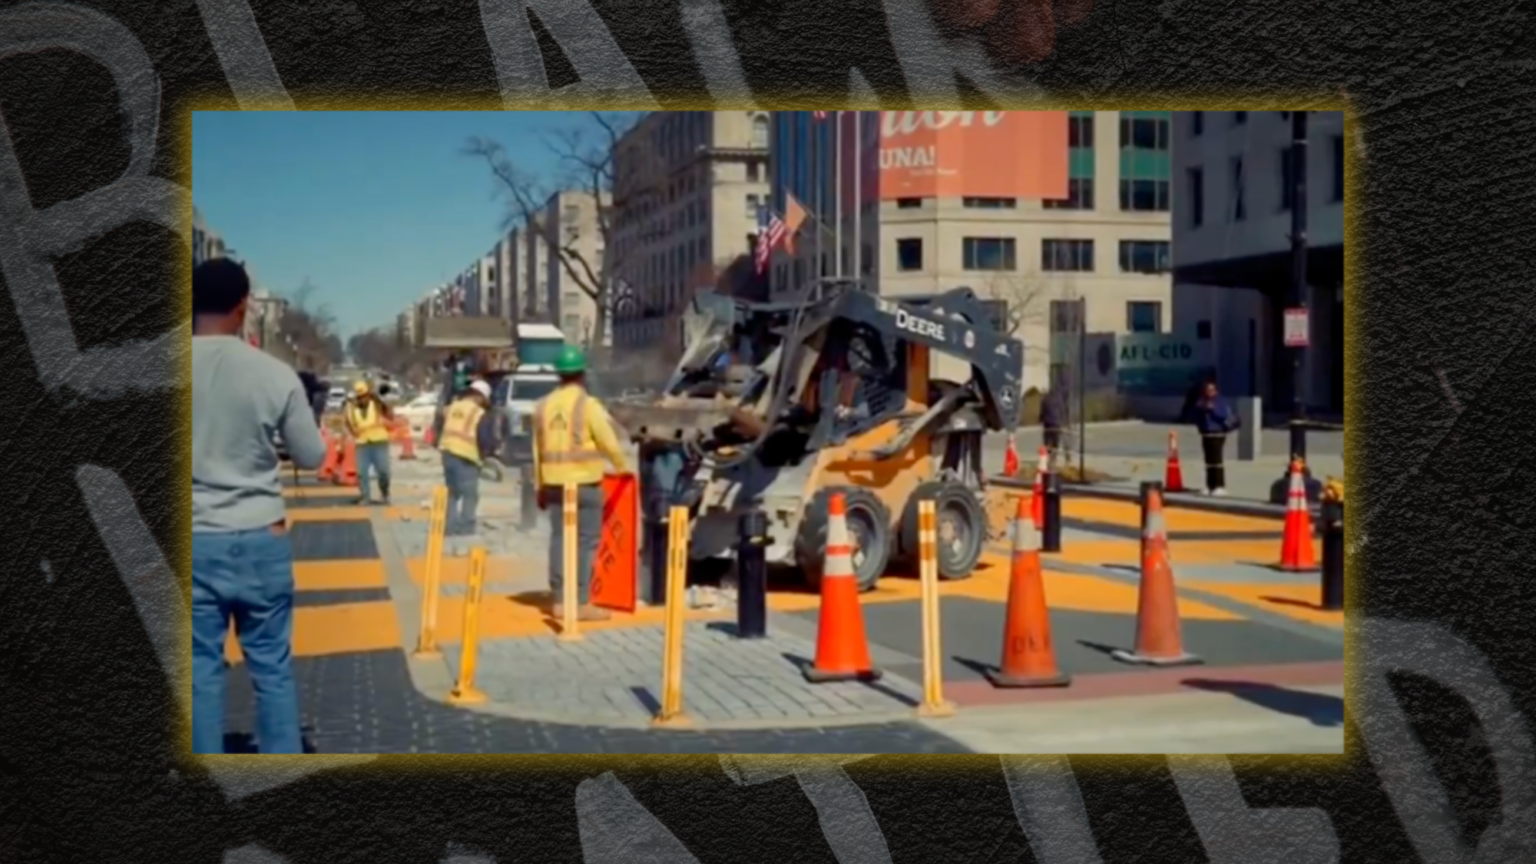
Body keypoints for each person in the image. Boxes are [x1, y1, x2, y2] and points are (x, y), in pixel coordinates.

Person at [191, 258, 326, 754]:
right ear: (243, 305)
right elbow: (312, 456)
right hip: (259, 537)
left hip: (192, 538)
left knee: (199, 672)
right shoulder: (273, 374)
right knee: (271, 667)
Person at [533, 345, 632, 622]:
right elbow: (607, 440)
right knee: (585, 541)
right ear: (582, 375)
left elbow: (536, 450)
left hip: (553, 483)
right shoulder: (587, 405)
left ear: (558, 375)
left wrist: (539, 485)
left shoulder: (541, 407)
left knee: (559, 539)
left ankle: (559, 599)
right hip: (584, 484)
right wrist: (623, 468)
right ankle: (580, 601)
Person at [439, 379, 497, 555]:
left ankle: (448, 526)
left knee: (452, 492)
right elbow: (483, 437)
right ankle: (466, 527)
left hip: (447, 451)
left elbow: (440, 424)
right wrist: (486, 455)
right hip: (466, 455)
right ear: (480, 396)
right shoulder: (478, 412)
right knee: (470, 494)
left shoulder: (453, 406)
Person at [345, 379, 394, 505]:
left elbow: (390, 414)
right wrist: (353, 433)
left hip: (379, 441)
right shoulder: (350, 407)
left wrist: (384, 401)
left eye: (365, 396)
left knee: (383, 471)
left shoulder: (377, 404)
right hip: (362, 443)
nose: (363, 399)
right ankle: (365, 496)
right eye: (360, 397)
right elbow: (348, 422)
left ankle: (384, 493)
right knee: (362, 472)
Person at [1188, 380, 1240, 496]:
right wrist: (1200, 411)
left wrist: (1212, 409)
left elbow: (1223, 415)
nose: (1209, 392)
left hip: (1217, 433)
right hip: (1206, 433)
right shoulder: (1201, 401)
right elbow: (1195, 417)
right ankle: (1209, 485)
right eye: (1207, 390)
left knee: (1217, 460)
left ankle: (1219, 485)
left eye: (1211, 390)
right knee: (1208, 461)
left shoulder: (1220, 401)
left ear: (1215, 390)